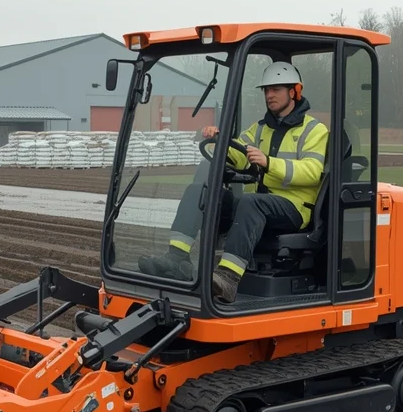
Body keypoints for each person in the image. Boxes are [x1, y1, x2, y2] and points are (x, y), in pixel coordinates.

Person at [138, 61, 328, 303]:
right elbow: (238, 155)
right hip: (261, 206)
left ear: (294, 92)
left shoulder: (314, 130)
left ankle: (227, 278)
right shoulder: (260, 129)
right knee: (201, 191)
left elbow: (312, 171)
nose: (269, 95)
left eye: (276, 89)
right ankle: (176, 258)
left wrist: (269, 163)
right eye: (266, 90)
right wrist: (220, 140)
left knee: (251, 202)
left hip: (295, 208)